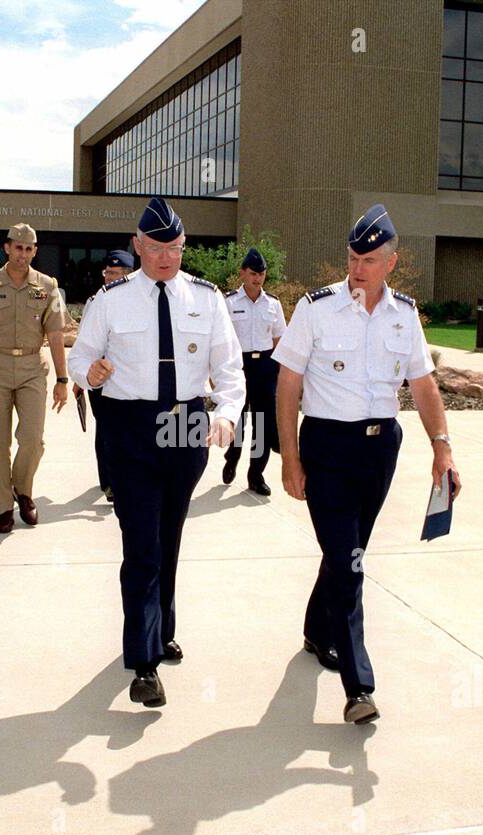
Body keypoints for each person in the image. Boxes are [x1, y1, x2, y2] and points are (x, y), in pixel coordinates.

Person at [273, 203, 461, 725]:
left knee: (347, 549)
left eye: (371, 260)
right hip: (327, 448)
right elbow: (288, 383)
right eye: (353, 257)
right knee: (350, 562)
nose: (358, 269)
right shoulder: (316, 308)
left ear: (392, 262)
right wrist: (289, 457)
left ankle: (316, 628)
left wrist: (441, 446)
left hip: (380, 449)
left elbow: (422, 384)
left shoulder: (405, 313)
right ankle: (359, 686)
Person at [68, 197, 245, 708]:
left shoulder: (207, 298)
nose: (166, 257)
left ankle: (161, 629)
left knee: (168, 538)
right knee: (141, 544)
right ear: (137, 246)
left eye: (174, 247)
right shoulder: (111, 299)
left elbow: (229, 369)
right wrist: (89, 372)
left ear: (183, 246)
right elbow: (81, 356)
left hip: (188, 424)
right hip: (131, 426)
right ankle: (143, 663)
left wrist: (227, 414)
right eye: (156, 248)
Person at [0, 223, 71, 534]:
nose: (23, 254)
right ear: (7, 248)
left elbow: (55, 333)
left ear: (35, 251)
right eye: (18, 247)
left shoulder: (48, 287)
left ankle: (22, 490)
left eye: (29, 249)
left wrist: (62, 379)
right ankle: (3, 507)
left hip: (31, 367)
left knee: (32, 438)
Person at [222, 247, 286, 496]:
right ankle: (232, 456)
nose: (256, 278)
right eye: (252, 273)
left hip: (265, 367)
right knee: (237, 419)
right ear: (242, 273)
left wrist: (281, 373)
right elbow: (222, 340)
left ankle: (256, 474)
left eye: (261, 274)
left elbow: (280, 338)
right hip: (238, 366)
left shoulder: (273, 304)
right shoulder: (229, 302)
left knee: (262, 422)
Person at [73, 249, 135, 502]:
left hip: (130, 380)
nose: (109, 277)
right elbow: (84, 346)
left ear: (128, 275)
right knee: (106, 430)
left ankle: (126, 476)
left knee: (128, 431)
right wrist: (80, 381)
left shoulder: (140, 301)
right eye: (107, 272)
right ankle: (108, 482)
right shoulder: (95, 301)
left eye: (115, 273)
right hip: (100, 378)